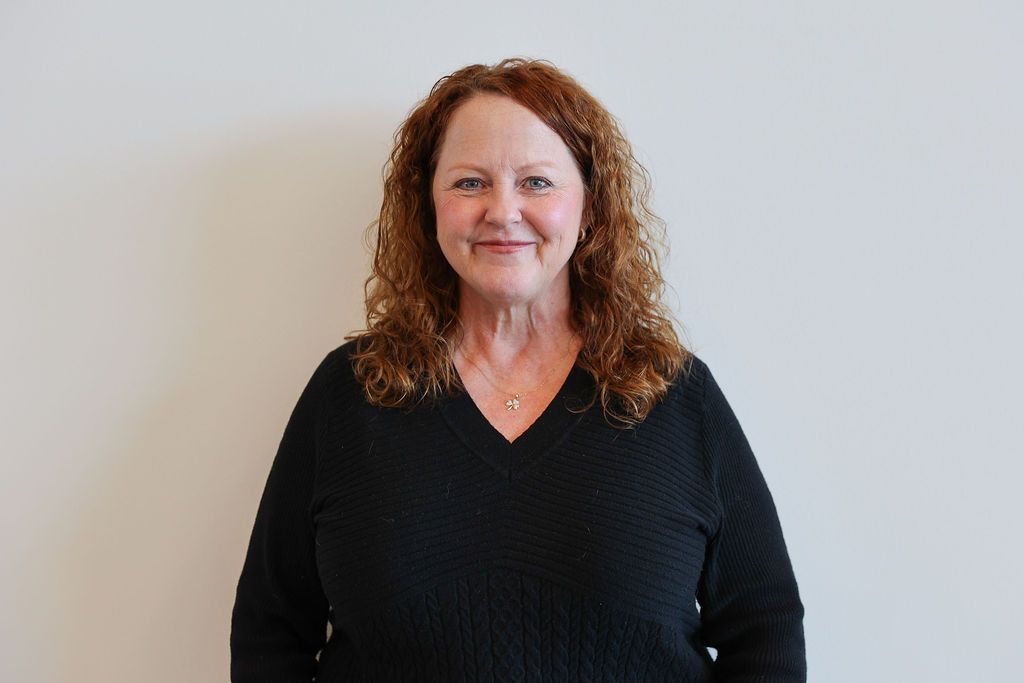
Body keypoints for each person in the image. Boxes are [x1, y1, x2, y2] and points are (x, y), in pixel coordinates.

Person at [230, 58, 805, 681]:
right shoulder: (350, 394)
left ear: (589, 208)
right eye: (470, 183)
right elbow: (271, 632)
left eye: (536, 182)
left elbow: (764, 628)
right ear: (429, 206)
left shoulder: (673, 395)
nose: (503, 212)